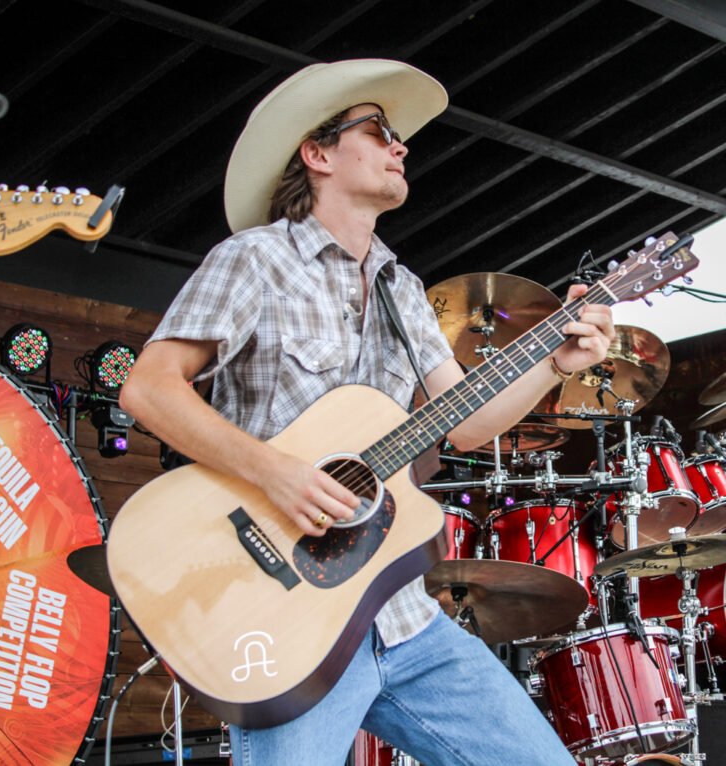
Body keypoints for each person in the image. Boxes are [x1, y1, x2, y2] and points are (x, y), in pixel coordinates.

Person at [120, 59, 614, 766]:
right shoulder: (253, 260)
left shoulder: (402, 287)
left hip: (406, 622)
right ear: (317, 154)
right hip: (291, 622)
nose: (401, 145)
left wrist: (552, 363)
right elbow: (149, 388)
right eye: (380, 130)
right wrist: (276, 472)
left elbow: (463, 422)